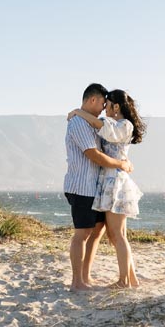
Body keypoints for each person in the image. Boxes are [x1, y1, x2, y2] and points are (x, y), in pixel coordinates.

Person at [68, 88, 145, 288]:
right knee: (115, 235)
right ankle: (131, 279)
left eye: (107, 104)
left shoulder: (123, 125)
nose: (104, 109)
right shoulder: (114, 124)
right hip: (107, 181)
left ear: (116, 106)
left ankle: (124, 280)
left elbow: (97, 125)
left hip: (115, 183)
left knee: (117, 235)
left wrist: (77, 112)